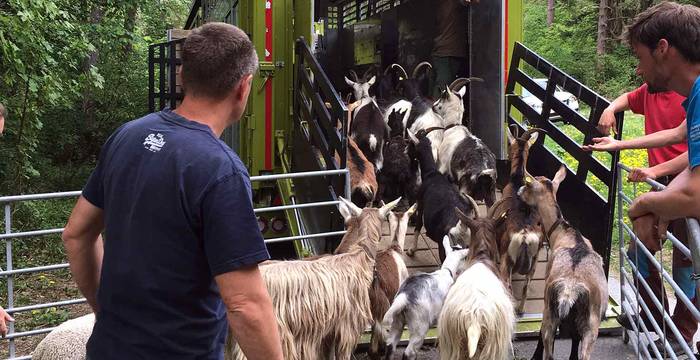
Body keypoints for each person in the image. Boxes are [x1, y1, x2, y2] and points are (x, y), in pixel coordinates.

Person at [62, 23, 283, 359]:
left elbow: (76, 234)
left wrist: (105, 311)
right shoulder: (220, 169)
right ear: (243, 87)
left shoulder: (127, 136)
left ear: (182, 77)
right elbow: (245, 305)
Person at [585, 1, 700, 353]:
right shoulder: (695, 96)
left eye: (640, 57)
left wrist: (643, 205)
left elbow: (695, 194)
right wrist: (660, 207)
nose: (637, 70)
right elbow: (692, 167)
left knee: (682, 266)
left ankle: (681, 332)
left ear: (663, 49)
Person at [431, 0, 472, 98]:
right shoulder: (452, 3)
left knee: (447, 90)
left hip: (447, 52)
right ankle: (435, 113)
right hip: (447, 53)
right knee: (444, 90)